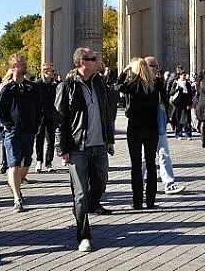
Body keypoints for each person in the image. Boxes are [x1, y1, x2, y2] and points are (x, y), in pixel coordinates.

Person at [56, 46, 115, 253]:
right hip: (77, 147)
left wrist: (109, 139)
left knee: (101, 182)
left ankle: (90, 206)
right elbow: (60, 119)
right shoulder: (67, 86)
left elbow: (106, 112)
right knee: (80, 194)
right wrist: (62, 148)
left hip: (99, 145)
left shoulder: (99, 82)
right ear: (83, 62)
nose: (97, 60)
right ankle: (84, 235)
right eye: (93, 58)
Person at [0, 53, 39, 213]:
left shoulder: (33, 87)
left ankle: (15, 183)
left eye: (24, 63)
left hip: (29, 131)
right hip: (12, 132)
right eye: (21, 64)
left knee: (26, 163)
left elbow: (39, 108)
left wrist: (36, 125)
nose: (24, 66)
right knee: (13, 163)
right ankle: (17, 198)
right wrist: (8, 125)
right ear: (14, 67)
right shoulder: (7, 88)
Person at [117, 57, 161, 209]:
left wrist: (124, 71)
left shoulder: (132, 85)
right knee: (151, 164)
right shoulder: (155, 84)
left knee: (136, 165)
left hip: (135, 127)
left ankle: (137, 201)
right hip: (152, 127)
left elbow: (116, 86)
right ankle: (151, 201)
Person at [144, 57, 184, 194]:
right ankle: (140, 183)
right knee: (145, 157)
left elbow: (165, 99)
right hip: (145, 126)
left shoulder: (158, 82)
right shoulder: (138, 83)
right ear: (146, 67)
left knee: (164, 154)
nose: (157, 69)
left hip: (159, 124)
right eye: (154, 66)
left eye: (157, 66)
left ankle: (169, 184)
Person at [34, 63, 59, 173]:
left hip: (52, 115)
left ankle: (49, 162)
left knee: (51, 139)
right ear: (45, 72)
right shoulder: (37, 84)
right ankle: (39, 160)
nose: (54, 73)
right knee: (39, 138)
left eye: (54, 71)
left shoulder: (56, 85)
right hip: (40, 115)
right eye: (52, 71)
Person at [168, 70, 194, 139]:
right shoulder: (176, 83)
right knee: (178, 119)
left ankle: (188, 134)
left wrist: (190, 103)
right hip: (178, 104)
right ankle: (178, 134)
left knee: (187, 119)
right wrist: (177, 89)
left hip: (186, 103)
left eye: (185, 75)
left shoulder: (187, 83)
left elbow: (190, 94)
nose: (184, 77)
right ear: (180, 75)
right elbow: (171, 93)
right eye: (183, 75)